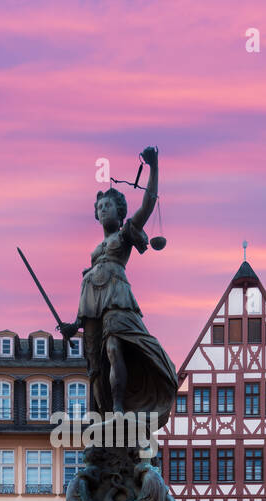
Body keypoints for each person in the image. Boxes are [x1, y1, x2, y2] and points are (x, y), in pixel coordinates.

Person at [62, 146, 177, 431]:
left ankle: (118, 409)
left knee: (114, 347)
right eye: (100, 208)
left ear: (120, 211)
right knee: (96, 367)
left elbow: (148, 204)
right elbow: (86, 294)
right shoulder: (94, 253)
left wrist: (154, 167)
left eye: (108, 206)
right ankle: (104, 414)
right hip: (91, 307)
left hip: (117, 300)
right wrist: (73, 324)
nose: (103, 210)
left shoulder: (125, 234)